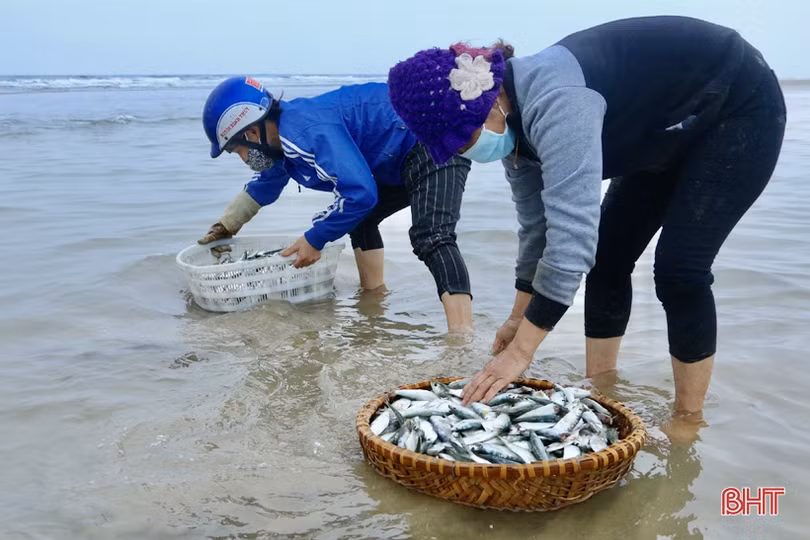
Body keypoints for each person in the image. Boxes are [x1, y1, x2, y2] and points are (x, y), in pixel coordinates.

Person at [386, 16, 786, 416]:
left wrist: (521, 352)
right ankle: (604, 392)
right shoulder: (513, 128)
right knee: (608, 259)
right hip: (664, 125)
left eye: (461, 140)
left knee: (679, 270)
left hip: (737, 104)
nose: (462, 152)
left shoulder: (559, 102)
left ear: (488, 103)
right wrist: (517, 318)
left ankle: (688, 420)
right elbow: (538, 229)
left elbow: (571, 241)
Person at [199, 77, 475, 332]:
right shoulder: (281, 139)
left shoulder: (305, 132)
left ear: (250, 131)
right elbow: (267, 183)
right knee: (360, 219)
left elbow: (359, 194)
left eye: (237, 150)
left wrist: (314, 239)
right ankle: (374, 299)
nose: (243, 159)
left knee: (431, 235)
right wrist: (227, 225)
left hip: (434, 136)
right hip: (397, 157)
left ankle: (461, 338)